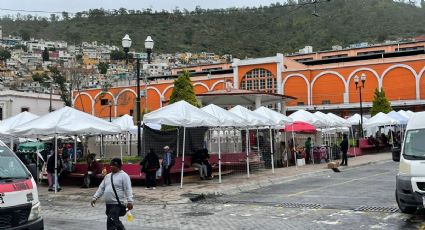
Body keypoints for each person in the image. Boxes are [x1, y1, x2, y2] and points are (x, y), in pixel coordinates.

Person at [92, 158, 133, 230]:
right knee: (114, 220)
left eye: (112, 165)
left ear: (118, 166)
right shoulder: (108, 176)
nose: (110, 167)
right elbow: (101, 188)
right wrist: (95, 197)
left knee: (110, 222)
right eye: (110, 165)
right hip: (108, 204)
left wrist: (130, 201)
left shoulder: (124, 176)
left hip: (116, 204)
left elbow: (128, 189)